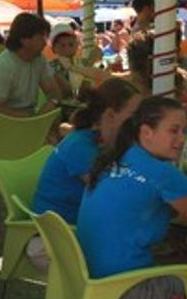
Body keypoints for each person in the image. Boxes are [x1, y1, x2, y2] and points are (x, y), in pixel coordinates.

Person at [76, 97, 187, 299]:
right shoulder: (163, 174)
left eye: (184, 131)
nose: (182, 139)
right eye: (173, 131)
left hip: (88, 286)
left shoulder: (115, 158)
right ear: (146, 133)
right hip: (124, 296)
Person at [32, 78, 141, 225]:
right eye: (134, 115)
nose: (141, 122)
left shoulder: (105, 141)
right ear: (110, 115)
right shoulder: (79, 146)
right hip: (58, 234)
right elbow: (111, 194)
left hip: (81, 223)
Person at [0, 13, 65, 116]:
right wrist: (30, 120)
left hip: (25, 122)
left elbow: (53, 91)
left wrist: (52, 104)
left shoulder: (38, 59)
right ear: (24, 40)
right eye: (41, 37)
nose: (45, 43)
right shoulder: (3, 66)